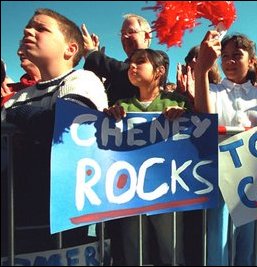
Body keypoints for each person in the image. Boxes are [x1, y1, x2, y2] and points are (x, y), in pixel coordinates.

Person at [1, 8, 108, 253]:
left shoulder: (82, 79)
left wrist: (17, 118)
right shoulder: (15, 98)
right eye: (28, 27)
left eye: (41, 28)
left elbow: (66, 128)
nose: (28, 31)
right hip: (15, 216)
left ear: (70, 49)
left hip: (61, 221)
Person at [195, 31, 257, 266]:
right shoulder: (212, 90)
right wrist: (200, 70)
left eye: (237, 56)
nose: (229, 61)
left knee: (249, 240)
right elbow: (205, 119)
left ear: (251, 60)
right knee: (217, 236)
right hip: (220, 174)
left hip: (252, 176)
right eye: (225, 56)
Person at [103, 48, 188, 266]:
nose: (132, 66)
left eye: (140, 62)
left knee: (171, 248)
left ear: (159, 71)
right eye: (131, 62)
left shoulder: (177, 101)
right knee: (134, 248)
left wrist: (184, 114)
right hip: (131, 191)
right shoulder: (122, 105)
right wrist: (109, 117)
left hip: (167, 191)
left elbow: (195, 131)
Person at [81, 13, 152, 105]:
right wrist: (96, 66)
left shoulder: (159, 58)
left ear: (146, 36)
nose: (124, 36)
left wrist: (93, 55)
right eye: (122, 33)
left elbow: (127, 73)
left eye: (131, 31)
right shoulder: (118, 69)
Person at [1, 42, 41, 107]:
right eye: (20, 47)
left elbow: (61, 116)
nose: (19, 52)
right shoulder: (7, 89)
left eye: (27, 47)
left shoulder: (60, 85)